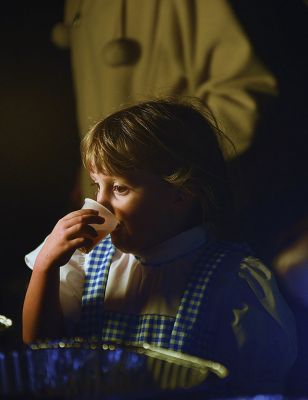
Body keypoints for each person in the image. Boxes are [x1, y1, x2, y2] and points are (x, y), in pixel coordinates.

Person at [23, 98, 295, 393]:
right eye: (96, 185)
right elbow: (39, 351)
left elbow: (258, 385)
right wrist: (45, 266)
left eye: (119, 188)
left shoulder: (232, 281)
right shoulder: (86, 262)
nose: (100, 204)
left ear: (180, 193)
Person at [52, 0, 277, 198]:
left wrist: (167, 173)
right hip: (132, 201)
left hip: (175, 211)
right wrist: (91, 174)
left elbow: (242, 98)